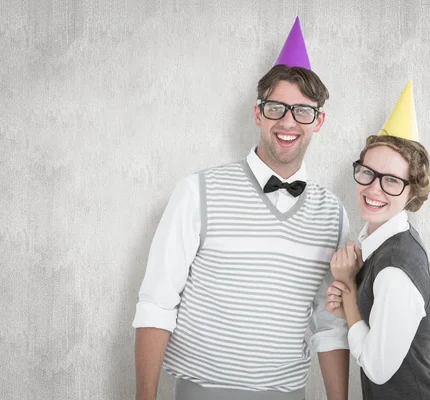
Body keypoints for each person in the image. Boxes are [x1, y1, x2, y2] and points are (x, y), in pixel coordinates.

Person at [132, 18, 351, 400]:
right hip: (200, 392)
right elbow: (157, 302)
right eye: (276, 108)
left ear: (319, 121)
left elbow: (330, 323)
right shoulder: (197, 191)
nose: (287, 121)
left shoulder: (332, 214)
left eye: (302, 111)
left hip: (286, 393)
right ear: (257, 113)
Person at [325, 81, 430, 399]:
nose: (374, 189)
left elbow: (378, 368)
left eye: (392, 180)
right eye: (367, 173)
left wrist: (350, 291)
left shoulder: (396, 265)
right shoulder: (379, 246)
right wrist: (353, 313)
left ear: (412, 190)